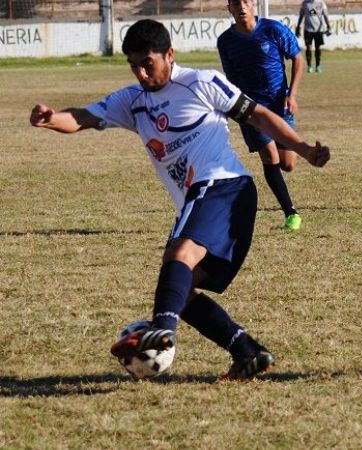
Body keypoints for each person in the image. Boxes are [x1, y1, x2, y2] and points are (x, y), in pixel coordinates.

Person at [29, 19, 330, 381]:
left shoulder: (201, 82)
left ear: (169, 55)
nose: (141, 72)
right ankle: (247, 353)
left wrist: (302, 149)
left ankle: (159, 332)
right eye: (134, 65)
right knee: (180, 290)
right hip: (210, 199)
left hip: (224, 186)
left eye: (148, 63)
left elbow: (260, 115)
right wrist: (51, 119)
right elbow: (83, 117)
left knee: (179, 255)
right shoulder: (133, 102)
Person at [218, 0, 307, 231]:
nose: (242, 7)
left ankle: (287, 200)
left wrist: (293, 95)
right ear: (229, 8)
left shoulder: (273, 30)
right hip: (250, 109)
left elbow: (298, 58)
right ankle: (291, 213)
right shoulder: (226, 41)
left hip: (280, 106)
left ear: (254, 5)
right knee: (268, 156)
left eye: (246, 2)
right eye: (236, 3)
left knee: (288, 164)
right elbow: (230, 77)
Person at [295, 0, 332, 73]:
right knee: (308, 48)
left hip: (319, 29)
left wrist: (328, 26)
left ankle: (318, 66)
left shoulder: (321, 3)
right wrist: (298, 27)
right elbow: (301, 15)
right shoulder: (305, 3)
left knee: (318, 48)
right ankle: (309, 66)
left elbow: (325, 15)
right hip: (308, 29)